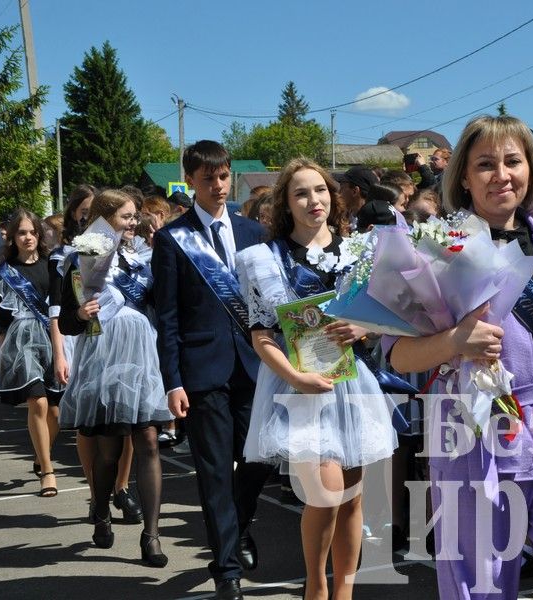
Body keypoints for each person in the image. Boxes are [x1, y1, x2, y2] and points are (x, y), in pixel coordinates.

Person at [386, 115, 533, 599]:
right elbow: (398, 358)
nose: (502, 174)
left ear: (530, 170)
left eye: (513, 161)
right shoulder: (433, 249)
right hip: (467, 432)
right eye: (485, 164)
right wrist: (455, 341)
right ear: (464, 176)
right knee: (481, 586)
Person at [237, 158, 399, 600]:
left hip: (352, 385)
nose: (315, 200)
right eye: (302, 193)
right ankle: (315, 587)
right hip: (298, 388)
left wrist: (366, 328)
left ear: (335, 195)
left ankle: (343, 591)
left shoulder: (361, 251)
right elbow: (261, 334)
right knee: (323, 496)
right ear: (286, 204)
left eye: (322, 190)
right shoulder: (262, 260)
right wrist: (295, 376)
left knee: (351, 499)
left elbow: (391, 316)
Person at [152, 140, 273, 600]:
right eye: (208, 179)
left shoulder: (253, 233)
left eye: (224, 176)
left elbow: (268, 304)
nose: (219, 186)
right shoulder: (172, 238)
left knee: (261, 457)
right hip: (202, 372)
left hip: (254, 365)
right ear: (192, 182)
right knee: (215, 471)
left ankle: (238, 528)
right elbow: (168, 316)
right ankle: (227, 572)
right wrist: (174, 380)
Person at [57, 189, 170, 565]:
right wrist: (82, 315)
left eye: (134, 216)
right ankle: (102, 511)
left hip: (141, 351)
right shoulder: (82, 254)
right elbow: (68, 320)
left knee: (149, 440)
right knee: (110, 449)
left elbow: (157, 302)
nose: (133, 222)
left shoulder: (142, 255)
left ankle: (151, 536)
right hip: (104, 353)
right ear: (106, 218)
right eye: (126, 216)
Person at [0, 209, 63, 497]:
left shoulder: (51, 265)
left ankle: (41, 452)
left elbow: (59, 309)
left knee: (56, 413)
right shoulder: (3, 272)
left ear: (39, 234)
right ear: (12, 237)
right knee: (38, 402)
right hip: (20, 343)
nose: (27, 237)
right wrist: (3, 351)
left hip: (52, 340)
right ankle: (48, 472)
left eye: (32, 232)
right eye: (21, 232)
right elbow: (0, 317)